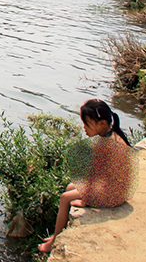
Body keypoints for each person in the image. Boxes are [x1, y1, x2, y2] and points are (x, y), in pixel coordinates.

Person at [39, 99, 135, 255]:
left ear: (102, 124)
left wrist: (85, 199)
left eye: (87, 124)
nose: (84, 128)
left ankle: (54, 240)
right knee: (71, 186)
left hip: (114, 193)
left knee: (65, 197)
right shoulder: (111, 136)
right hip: (116, 187)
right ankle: (58, 232)